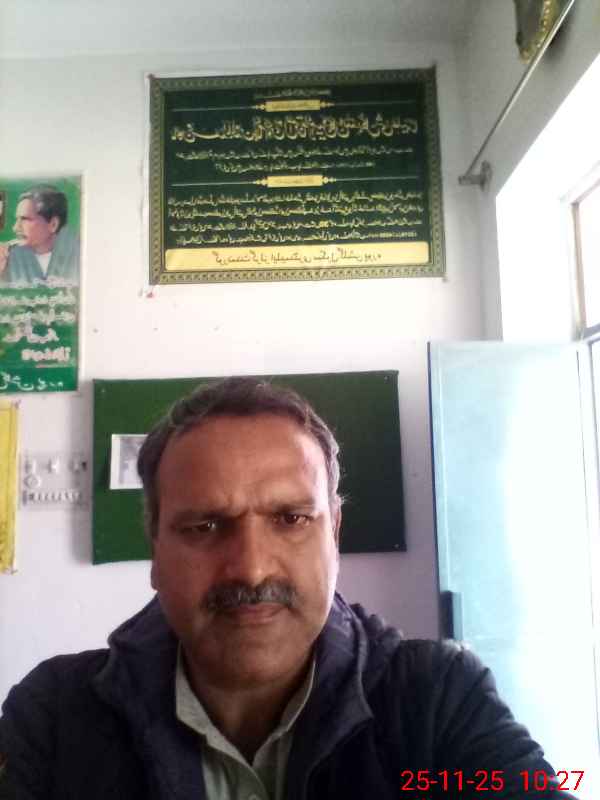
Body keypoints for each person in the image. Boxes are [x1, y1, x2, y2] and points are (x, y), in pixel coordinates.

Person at [0, 378, 574, 798]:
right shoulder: (54, 717)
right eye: (204, 527)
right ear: (156, 549)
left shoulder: (438, 702)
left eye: (292, 519)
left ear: (334, 534)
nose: (251, 570)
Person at [0, 185, 79, 285]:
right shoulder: (8, 258)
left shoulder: (80, 253)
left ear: (53, 224)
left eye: (25, 219)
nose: (15, 228)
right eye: (17, 219)